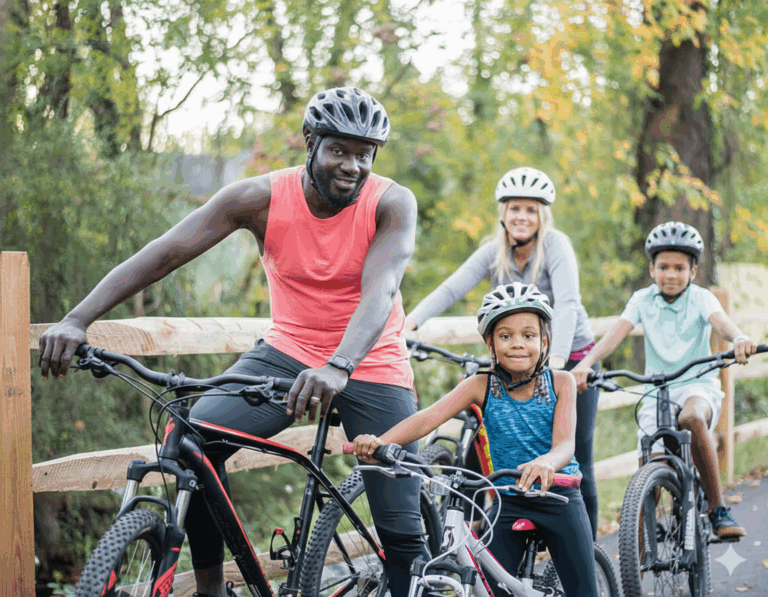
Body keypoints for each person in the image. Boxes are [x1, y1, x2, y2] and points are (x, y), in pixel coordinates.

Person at [38, 86, 430, 596]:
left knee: (401, 532)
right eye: (338, 149)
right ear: (310, 141)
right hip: (288, 351)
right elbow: (166, 251)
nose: (352, 166)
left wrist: (340, 364)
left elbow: (382, 288)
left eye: (364, 154)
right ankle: (212, 589)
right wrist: (77, 318)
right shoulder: (258, 199)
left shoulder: (392, 202)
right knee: (194, 442)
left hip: (371, 360)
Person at [355, 282, 598, 597]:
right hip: (508, 500)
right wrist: (380, 442)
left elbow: (565, 444)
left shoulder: (561, 382)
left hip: (560, 498)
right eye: (505, 336)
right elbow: (427, 418)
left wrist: (547, 462)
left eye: (529, 335)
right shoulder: (480, 385)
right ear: (489, 342)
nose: (517, 344)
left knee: (584, 591)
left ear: (545, 340)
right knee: (487, 590)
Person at [405, 167, 601, 538]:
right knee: (481, 436)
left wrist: (557, 361)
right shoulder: (494, 252)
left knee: (578, 459)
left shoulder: (555, 245)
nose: (521, 217)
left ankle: (587, 546)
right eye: (514, 208)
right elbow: (451, 289)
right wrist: (409, 324)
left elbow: (568, 304)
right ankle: (471, 534)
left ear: (542, 215)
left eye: (530, 210)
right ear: (503, 213)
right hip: (519, 357)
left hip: (569, 357)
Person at [572, 221, 756, 539]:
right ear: (652, 269)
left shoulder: (701, 298)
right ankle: (637, 557)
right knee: (648, 470)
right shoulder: (642, 299)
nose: (671, 274)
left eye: (679, 268)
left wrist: (739, 337)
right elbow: (615, 333)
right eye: (663, 267)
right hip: (657, 391)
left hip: (698, 385)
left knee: (691, 417)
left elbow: (722, 323)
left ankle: (718, 508)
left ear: (693, 272)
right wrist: (586, 363)